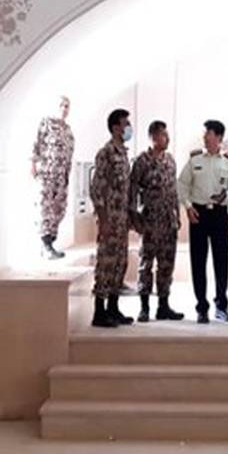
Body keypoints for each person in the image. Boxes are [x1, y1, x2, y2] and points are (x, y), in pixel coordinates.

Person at [177, 119, 228, 323]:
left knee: (221, 261)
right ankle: (201, 307)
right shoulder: (195, 160)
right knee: (198, 262)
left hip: (219, 214)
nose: (204, 137)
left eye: (208, 134)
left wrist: (227, 196)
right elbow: (181, 185)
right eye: (204, 134)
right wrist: (188, 207)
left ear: (218, 137)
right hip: (198, 215)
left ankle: (221, 305)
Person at [128, 121, 185, 322]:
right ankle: (144, 307)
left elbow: (174, 191)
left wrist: (177, 215)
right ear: (153, 137)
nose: (167, 139)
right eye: (163, 135)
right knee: (146, 264)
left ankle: (163, 306)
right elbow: (132, 191)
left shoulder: (170, 161)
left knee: (166, 264)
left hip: (169, 222)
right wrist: (134, 218)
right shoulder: (141, 162)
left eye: (167, 135)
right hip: (150, 221)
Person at [89, 108, 134, 328]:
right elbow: (97, 188)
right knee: (105, 264)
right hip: (110, 219)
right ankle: (99, 311)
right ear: (116, 127)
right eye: (126, 124)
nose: (129, 128)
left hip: (122, 219)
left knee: (119, 264)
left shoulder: (123, 153)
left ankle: (113, 308)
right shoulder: (106, 153)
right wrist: (104, 220)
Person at [30, 96, 74, 259]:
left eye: (67, 106)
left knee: (59, 209)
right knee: (45, 208)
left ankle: (51, 242)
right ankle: (45, 244)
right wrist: (33, 164)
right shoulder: (46, 123)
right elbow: (36, 143)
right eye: (61, 105)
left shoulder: (68, 130)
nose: (64, 109)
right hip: (47, 174)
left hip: (62, 177)